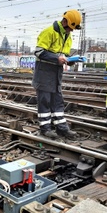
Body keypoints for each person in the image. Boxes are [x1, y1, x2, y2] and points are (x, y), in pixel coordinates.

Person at [32, 9, 82, 139]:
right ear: (65, 21)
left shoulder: (67, 36)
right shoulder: (49, 32)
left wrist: (70, 61)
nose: (71, 31)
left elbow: (63, 55)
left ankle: (61, 128)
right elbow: (38, 52)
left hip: (56, 73)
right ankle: (45, 129)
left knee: (58, 101)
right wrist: (57, 59)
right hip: (44, 72)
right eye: (71, 27)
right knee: (45, 101)